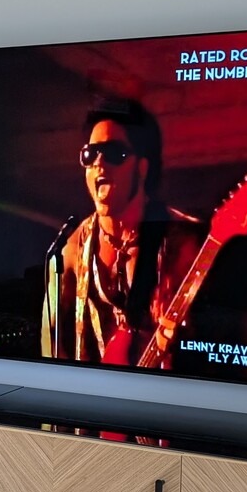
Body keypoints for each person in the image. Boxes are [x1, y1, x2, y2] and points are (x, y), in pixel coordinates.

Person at [41, 97, 207, 369]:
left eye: (114, 153)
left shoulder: (184, 240)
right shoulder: (70, 250)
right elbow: (52, 346)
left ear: (142, 167)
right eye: (90, 154)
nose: (99, 164)